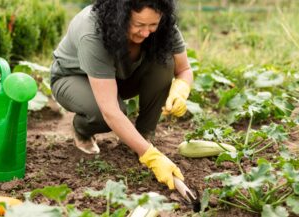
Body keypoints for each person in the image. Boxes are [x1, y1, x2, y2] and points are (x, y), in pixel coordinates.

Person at [50, 0, 193, 190]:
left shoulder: (162, 23)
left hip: (119, 78)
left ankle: (143, 136)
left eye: (153, 25)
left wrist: (181, 89)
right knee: (104, 114)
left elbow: (184, 69)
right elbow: (110, 110)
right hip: (73, 78)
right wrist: (152, 158)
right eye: (139, 25)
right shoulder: (93, 31)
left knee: (165, 61)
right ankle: (82, 129)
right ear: (121, 16)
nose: (146, 32)